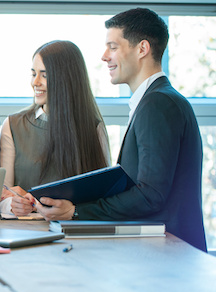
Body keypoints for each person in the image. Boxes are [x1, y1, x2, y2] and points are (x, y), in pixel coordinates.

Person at [34, 8, 207, 252]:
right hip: (164, 251)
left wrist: (77, 211)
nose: (104, 56)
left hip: (167, 253)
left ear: (142, 49)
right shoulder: (158, 100)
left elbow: (150, 194)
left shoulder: (157, 104)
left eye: (113, 47)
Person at [0, 40, 110, 217]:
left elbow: (102, 195)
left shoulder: (93, 129)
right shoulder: (13, 126)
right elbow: (2, 196)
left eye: (44, 75)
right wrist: (11, 205)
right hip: (25, 231)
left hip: (74, 231)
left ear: (66, 79)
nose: (35, 82)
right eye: (33, 74)